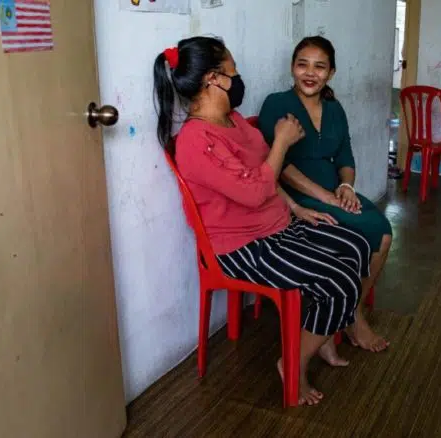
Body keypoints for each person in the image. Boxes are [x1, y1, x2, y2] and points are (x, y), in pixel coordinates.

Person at [154, 36, 373, 406]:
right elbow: (255, 190)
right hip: (242, 246)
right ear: (214, 79)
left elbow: (263, 178)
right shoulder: (196, 140)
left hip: (276, 226)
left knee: (357, 245)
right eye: (233, 72)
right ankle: (293, 363)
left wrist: (296, 209)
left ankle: (319, 340)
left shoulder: (232, 120)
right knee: (339, 281)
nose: (238, 79)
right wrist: (282, 143)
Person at [257, 36, 392, 353]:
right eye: (302, 64)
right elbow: (278, 164)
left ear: (331, 73)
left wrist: (345, 187)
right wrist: (325, 196)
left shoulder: (334, 108)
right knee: (367, 230)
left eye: (319, 67)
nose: (309, 73)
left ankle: (350, 310)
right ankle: (353, 316)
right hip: (293, 198)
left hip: (334, 192)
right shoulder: (277, 103)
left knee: (384, 233)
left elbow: (345, 157)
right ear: (292, 67)